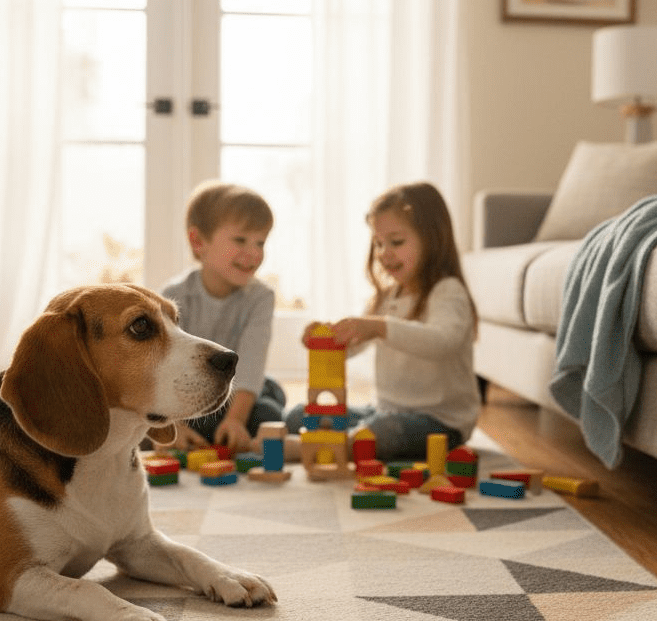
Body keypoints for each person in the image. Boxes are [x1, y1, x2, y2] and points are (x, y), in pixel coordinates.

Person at [284, 181, 480, 462]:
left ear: (433, 239)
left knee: (381, 433)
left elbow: (442, 341)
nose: (384, 253)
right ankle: (330, 440)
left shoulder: (447, 291)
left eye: (396, 242)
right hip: (387, 410)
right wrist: (328, 340)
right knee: (299, 415)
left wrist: (379, 326)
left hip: (440, 423)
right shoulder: (388, 297)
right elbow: (354, 345)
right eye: (378, 243)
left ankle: (315, 450)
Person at [162, 180, 285, 452]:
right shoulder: (174, 296)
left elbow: (252, 364)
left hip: (237, 395)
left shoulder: (260, 297)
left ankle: (226, 429)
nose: (254, 253)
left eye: (260, 242)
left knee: (268, 414)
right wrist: (173, 426)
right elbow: (165, 370)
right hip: (188, 397)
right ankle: (195, 432)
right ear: (199, 241)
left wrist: (235, 421)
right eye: (241, 239)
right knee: (147, 427)